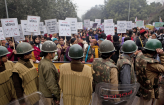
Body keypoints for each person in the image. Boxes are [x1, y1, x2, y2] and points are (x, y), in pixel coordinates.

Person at [135, 39, 164, 105]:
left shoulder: (140, 55)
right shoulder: (151, 63)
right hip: (149, 91)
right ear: (155, 52)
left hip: (141, 86)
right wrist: (162, 55)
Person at [38, 41, 60, 105]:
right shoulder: (48, 65)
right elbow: (51, 83)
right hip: (49, 96)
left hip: (45, 94)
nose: (54, 54)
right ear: (49, 53)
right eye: (53, 52)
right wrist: (57, 96)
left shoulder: (43, 61)